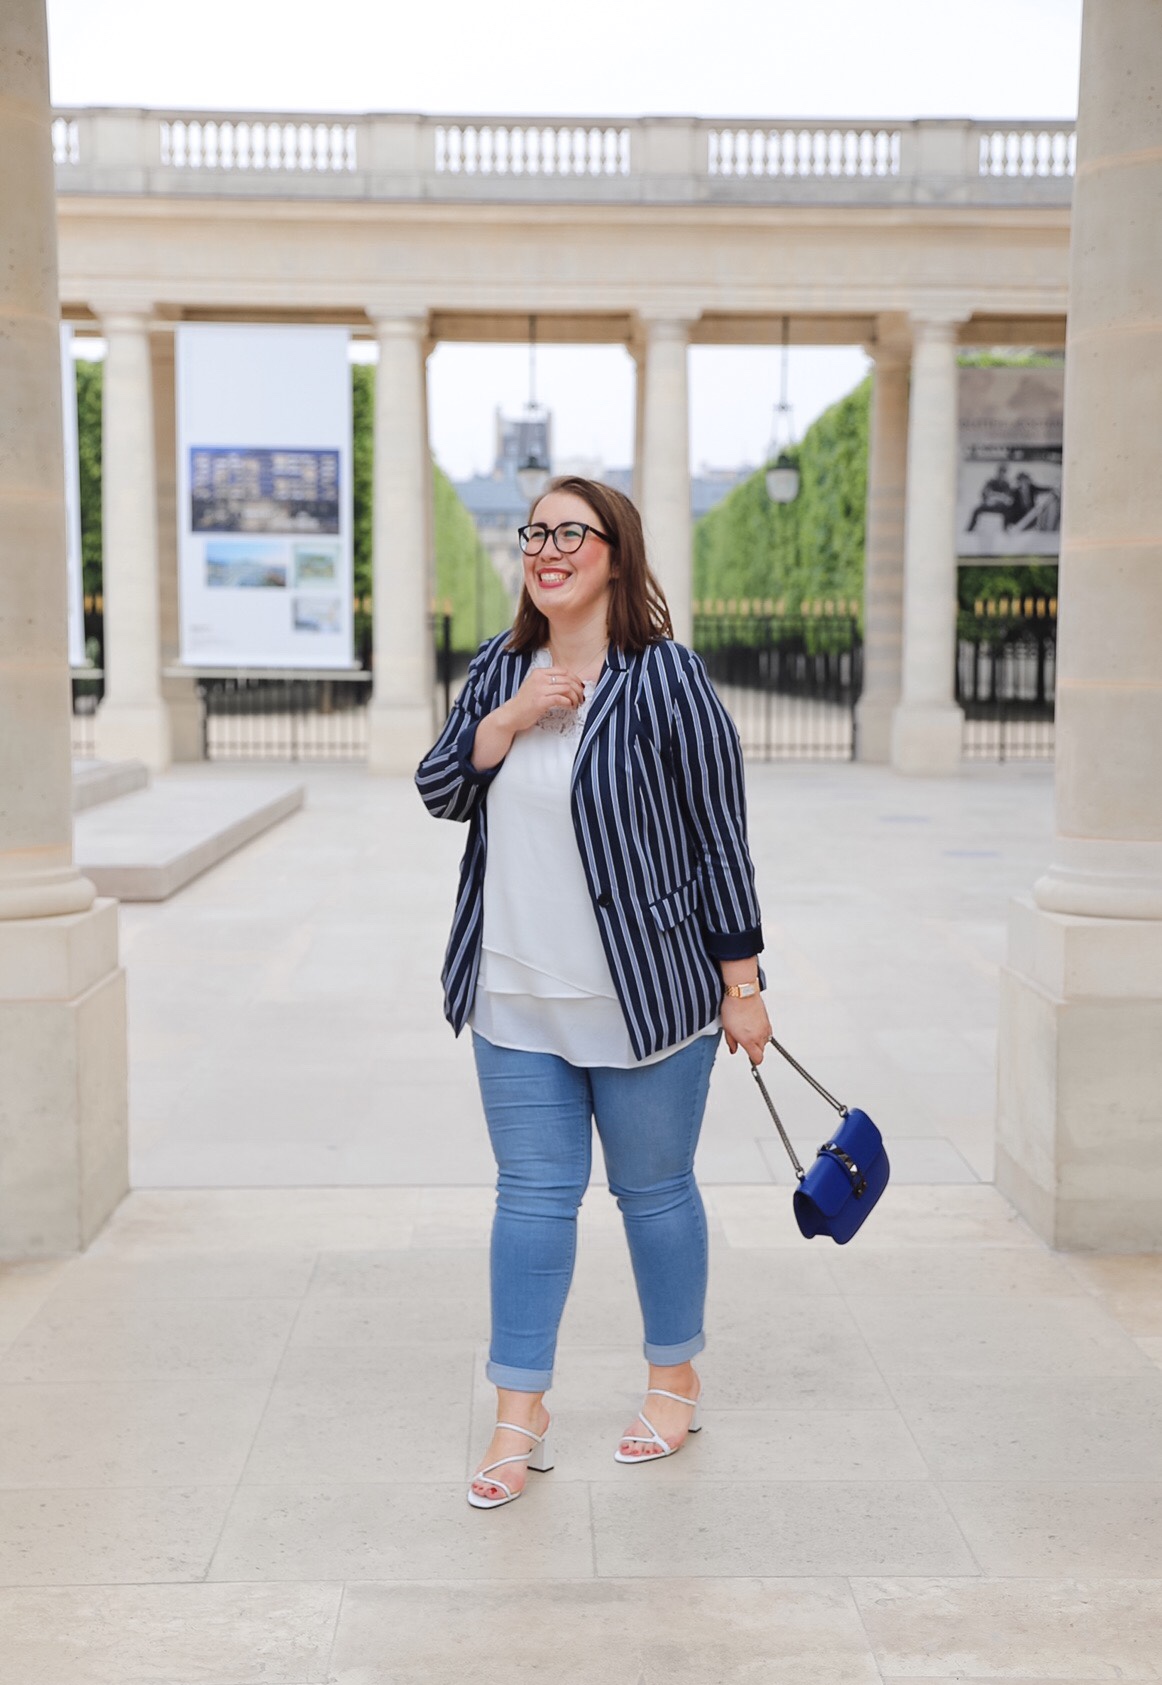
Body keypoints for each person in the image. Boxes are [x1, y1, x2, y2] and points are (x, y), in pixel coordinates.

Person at [416, 476, 771, 1510]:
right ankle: (517, 1411)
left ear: (616, 552)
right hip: (513, 993)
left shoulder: (667, 678)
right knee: (530, 1201)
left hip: (647, 998)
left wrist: (741, 981)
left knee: (654, 1195)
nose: (548, 547)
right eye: (537, 531)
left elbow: (719, 839)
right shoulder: (498, 666)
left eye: (573, 531)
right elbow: (441, 787)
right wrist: (510, 718)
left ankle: (674, 1377)